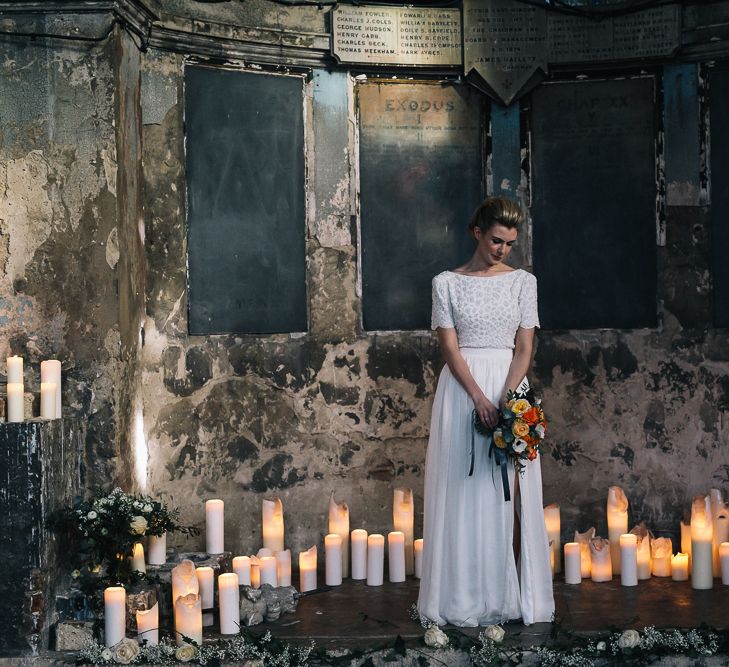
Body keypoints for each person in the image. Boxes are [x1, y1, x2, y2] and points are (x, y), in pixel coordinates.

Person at [417, 196, 554, 627]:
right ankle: (463, 597)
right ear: (477, 232)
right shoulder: (446, 283)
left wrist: (508, 398)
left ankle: (511, 597)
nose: (502, 250)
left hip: (509, 386)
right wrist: (478, 395)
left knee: (510, 495)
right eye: (497, 240)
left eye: (510, 244)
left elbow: (526, 347)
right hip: (462, 390)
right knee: (463, 489)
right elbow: (449, 348)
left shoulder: (522, 282)